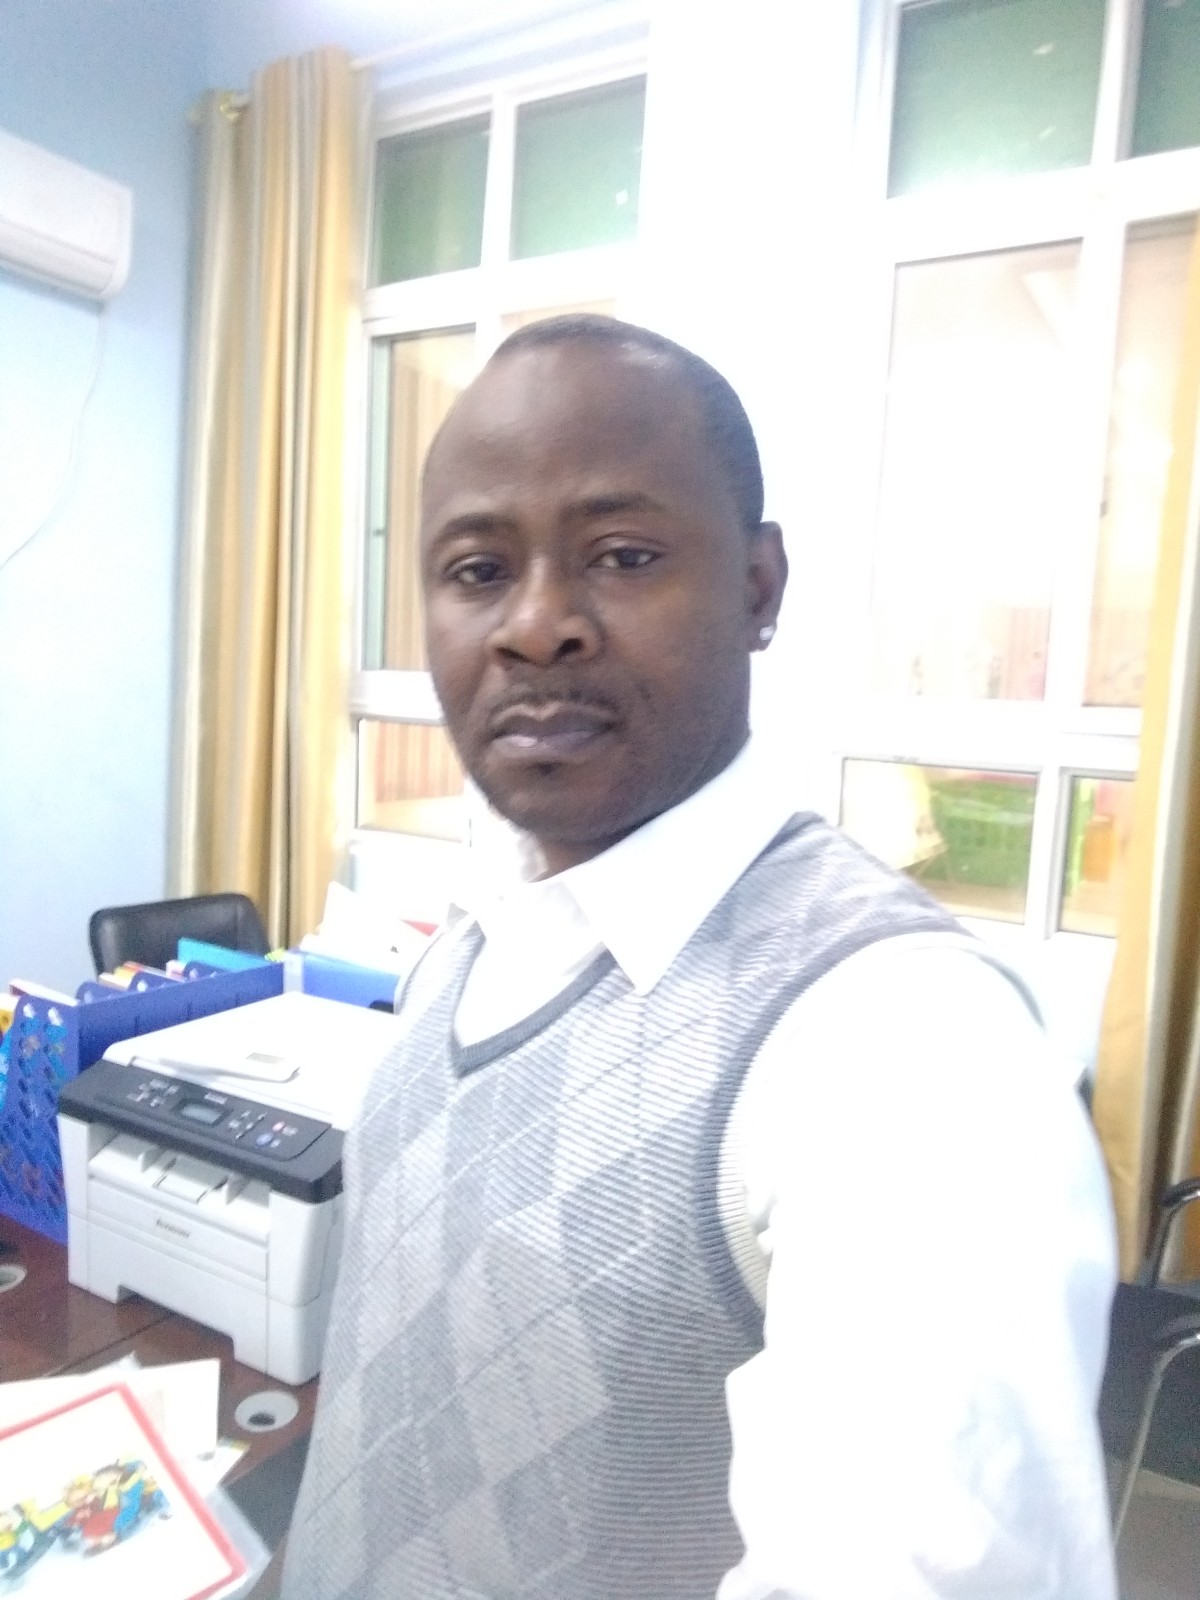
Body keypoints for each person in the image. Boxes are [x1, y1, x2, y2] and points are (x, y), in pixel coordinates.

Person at [283, 316, 1117, 1599]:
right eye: (477, 570)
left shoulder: (907, 1052)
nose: (535, 626)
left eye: (622, 555)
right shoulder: (475, 929)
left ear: (759, 588)